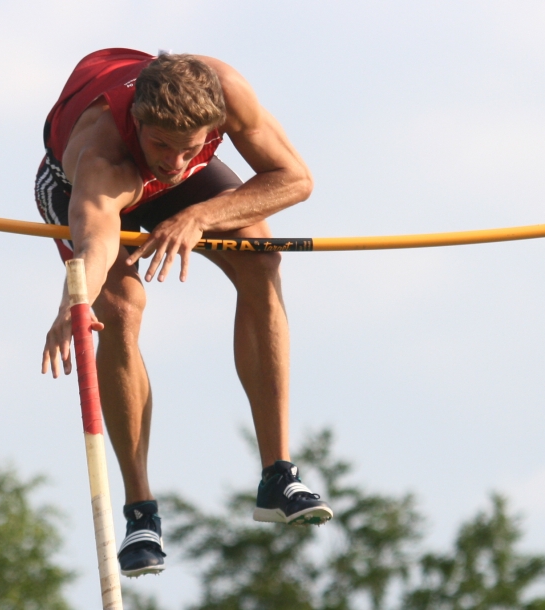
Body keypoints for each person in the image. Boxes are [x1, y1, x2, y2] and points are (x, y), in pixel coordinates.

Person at [35, 48, 332, 578]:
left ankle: (277, 476)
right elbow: (98, 243)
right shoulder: (101, 149)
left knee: (262, 260)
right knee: (122, 309)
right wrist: (73, 301)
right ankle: (140, 513)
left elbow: (295, 179)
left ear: (212, 126)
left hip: (182, 193)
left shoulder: (226, 90)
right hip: (84, 188)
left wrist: (198, 215)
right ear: (140, 122)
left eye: (188, 148)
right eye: (162, 144)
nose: (172, 161)